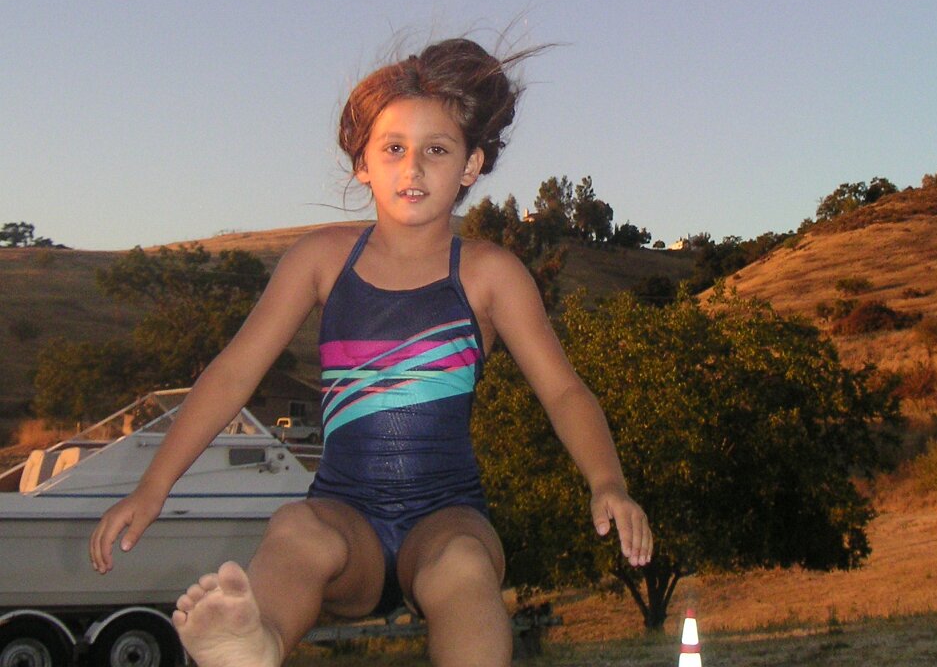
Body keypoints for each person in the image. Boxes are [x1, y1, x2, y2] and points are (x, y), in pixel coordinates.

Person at [90, 36, 652, 667]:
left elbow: (564, 391)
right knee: (295, 532)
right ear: (364, 162)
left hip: (447, 515)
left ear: (470, 166)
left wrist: (608, 481)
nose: (412, 168)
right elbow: (233, 375)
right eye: (394, 149)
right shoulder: (322, 260)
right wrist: (152, 487)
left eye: (436, 150)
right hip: (344, 516)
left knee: (463, 565)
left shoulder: (490, 274)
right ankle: (254, 642)